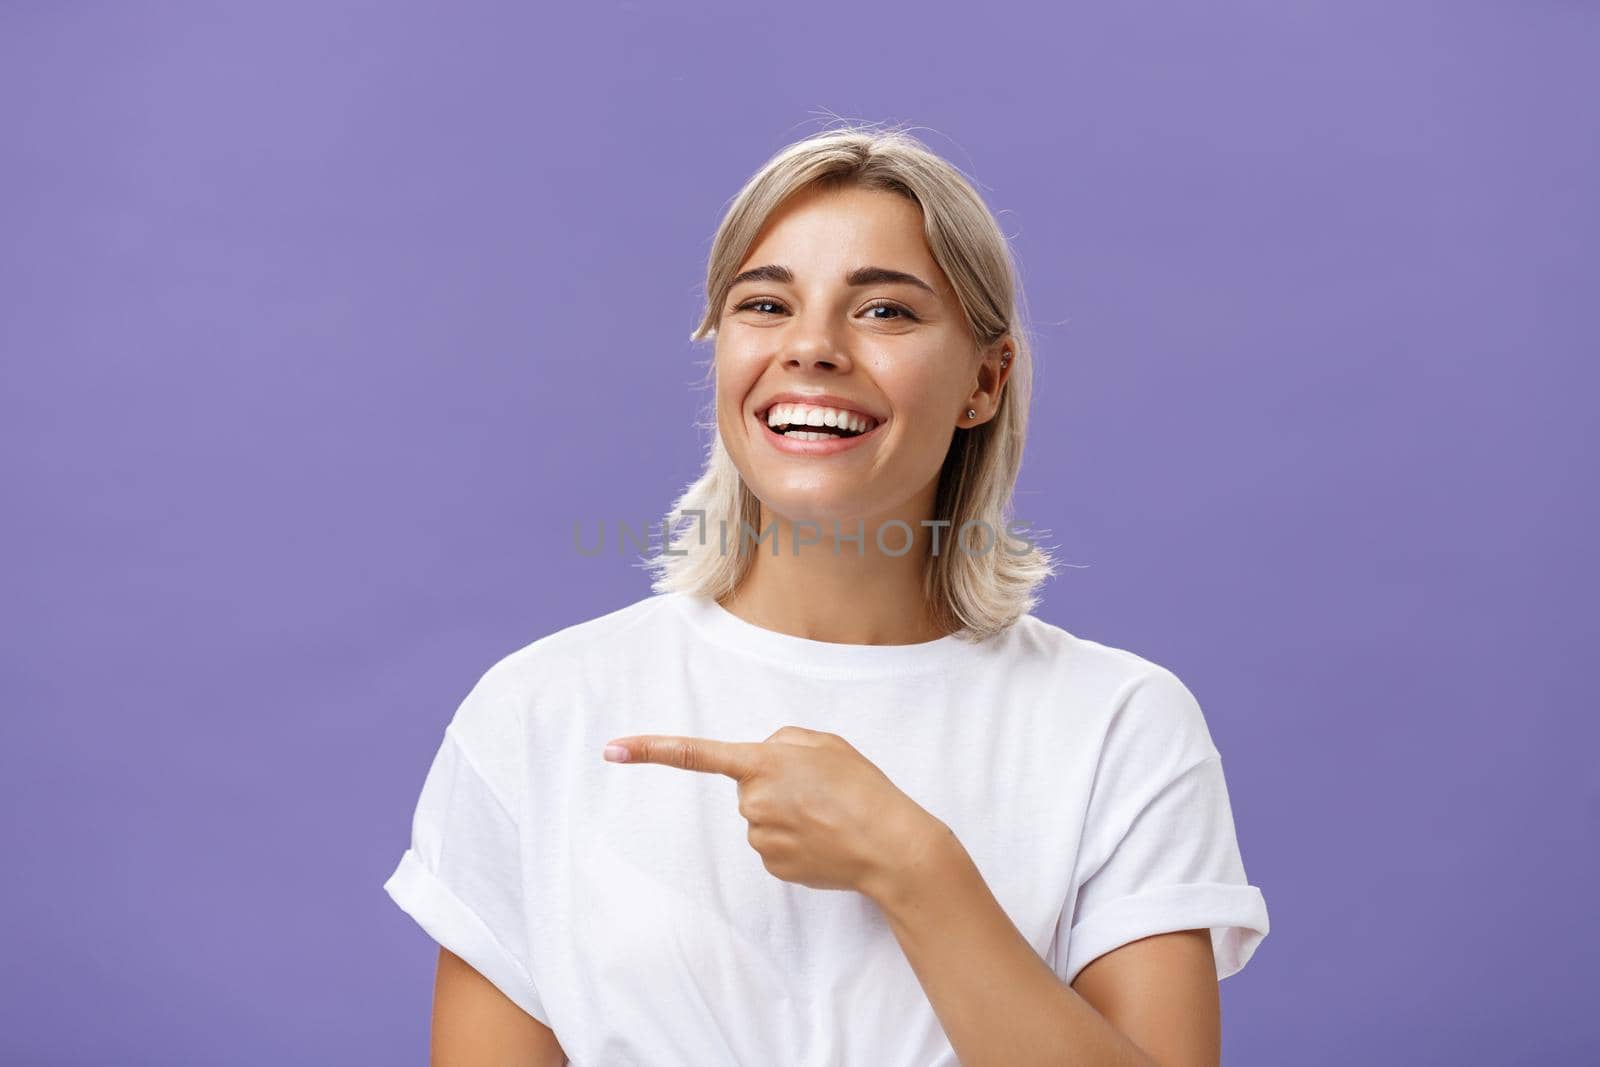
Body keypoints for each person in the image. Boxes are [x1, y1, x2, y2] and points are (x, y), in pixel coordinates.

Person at [381, 123, 1270, 1066]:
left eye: (885, 312)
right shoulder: (541, 713)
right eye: (764, 304)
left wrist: (913, 867)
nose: (812, 347)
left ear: (986, 379)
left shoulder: (1121, 726)